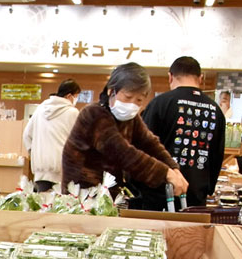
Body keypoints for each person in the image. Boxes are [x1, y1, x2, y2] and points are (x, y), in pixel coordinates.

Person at [61, 62, 188, 200]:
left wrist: (173, 168)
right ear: (111, 91)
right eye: (128, 97)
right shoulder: (93, 114)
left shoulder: (131, 119)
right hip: (83, 196)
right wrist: (165, 173)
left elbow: (151, 143)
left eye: (139, 100)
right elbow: (122, 152)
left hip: (108, 196)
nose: (132, 104)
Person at [132, 56, 225, 209]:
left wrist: (136, 187)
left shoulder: (160, 103)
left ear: (170, 76)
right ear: (200, 78)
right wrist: (208, 188)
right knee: (191, 233)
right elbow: (217, 154)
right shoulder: (215, 109)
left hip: (159, 193)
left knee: (158, 233)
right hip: (196, 193)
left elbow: (142, 146)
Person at [22, 78, 81, 191]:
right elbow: (79, 141)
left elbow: (26, 135)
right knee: (61, 205)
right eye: (76, 96)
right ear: (69, 96)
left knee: (42, 204)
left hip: (40, 170)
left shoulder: (39, 110)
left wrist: (34, 154)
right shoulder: (72, 113)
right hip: (63, 170)